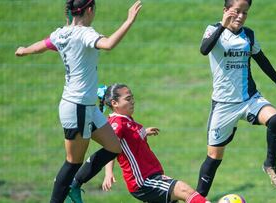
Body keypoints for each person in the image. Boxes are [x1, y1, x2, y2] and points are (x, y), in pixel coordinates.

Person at [14, 1, 142, 202]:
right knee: (73, 162)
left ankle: (74, 185)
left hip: (87, 106)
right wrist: (129, 21)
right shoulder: (85, 34)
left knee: (114, 147)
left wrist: (24, 50)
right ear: (89, 10)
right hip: (78, 107)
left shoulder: (61, 33)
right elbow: (108, 44)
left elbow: (43, 45)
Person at [195, 0, 276, 197]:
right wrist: (223, 25)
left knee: (275, 119)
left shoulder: (248, 35)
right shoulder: (213, 30)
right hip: (223, 105)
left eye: (245, 13)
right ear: (225, 11)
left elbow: (262, 59)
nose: (241, 16)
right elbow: (204, 49)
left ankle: (270, 164)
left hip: (249, 99)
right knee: (214, 157)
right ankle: (198, 198)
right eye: (236, 11)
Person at [99, 84, 210, 203]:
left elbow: (129, 140)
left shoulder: (126, 119)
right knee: (184, 191)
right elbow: (110, 148)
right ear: (114, 103)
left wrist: (144, 132)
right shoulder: (117, 123)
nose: (132, 102)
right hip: (142, 181)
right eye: (128, 99)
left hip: (151, 175)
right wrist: (108, 172)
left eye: (132, 98)